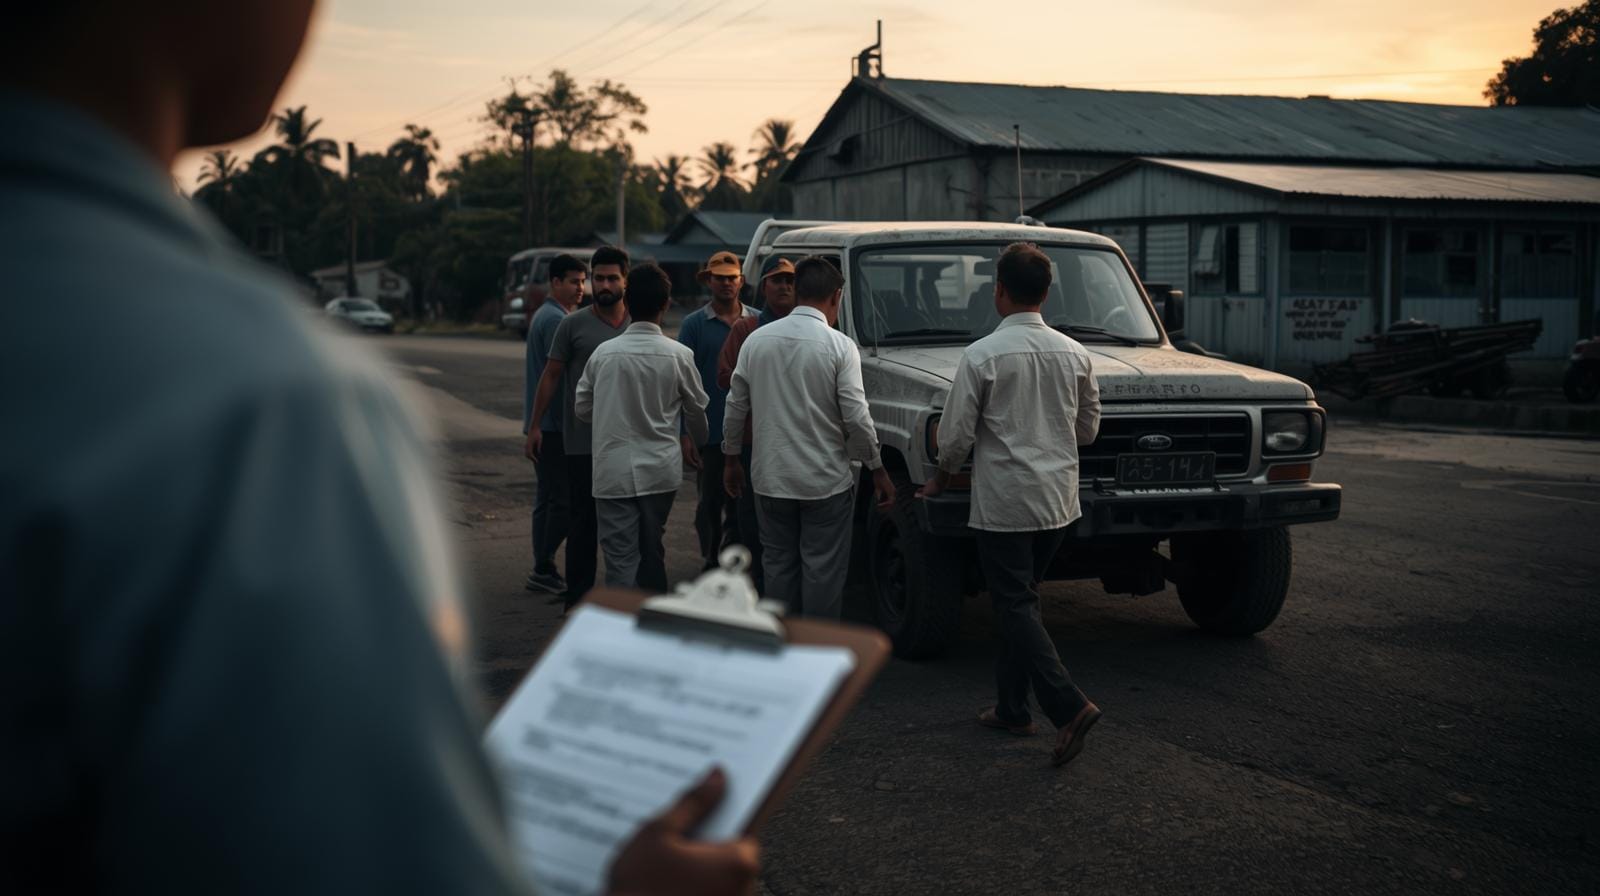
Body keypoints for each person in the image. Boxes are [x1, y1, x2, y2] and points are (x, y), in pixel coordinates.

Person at [0, 3, 757, 893]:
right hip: (649, 464)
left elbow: (585, 399)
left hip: (611, 460)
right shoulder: (258, 399)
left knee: (622, 558)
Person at [917, 242, 1104, 769]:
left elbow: (953, 438)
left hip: (1006, 502)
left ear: (998, 291)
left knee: (1015, 604)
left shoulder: (981, 356)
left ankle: (1067, 707)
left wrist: (938, 480)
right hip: (1057, 502)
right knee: (1023, 600)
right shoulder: (1076, 353)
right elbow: (1088, 430)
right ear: (1046, 294)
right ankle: (1012, 708)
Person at [723, 257, 895, 620]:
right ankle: (814, 652)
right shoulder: (840, 346)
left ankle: (780, 644)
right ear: (837, 297)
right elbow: (856, 417)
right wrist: (877, 468)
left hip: (770, 478)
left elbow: (735, 407)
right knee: (823, 572)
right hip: (825, 483)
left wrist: (731, 458)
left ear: (798, 291)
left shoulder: (756, 341)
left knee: (778, 567)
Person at [576, 264, 709, 592]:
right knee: (652, 550)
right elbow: (697, 410)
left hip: (612, 472)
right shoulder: (679, 355)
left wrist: (611, 414)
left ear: (627, 303)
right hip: (660, 472)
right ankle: (654, 622)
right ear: (666, 305)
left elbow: (582, 407)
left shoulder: (603, 355)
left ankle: (622, 628)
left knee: (620, 559)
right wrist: (699, 441)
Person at [530, 245, 631, 609]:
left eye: (612, 277)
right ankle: (579, 599)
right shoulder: (572, 324)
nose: (604, 284)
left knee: (627, 529)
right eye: (598, 277)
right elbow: (551, 375)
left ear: (625, 280)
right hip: (581, 443)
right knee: (582, 525)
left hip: (627, 445)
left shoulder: (640, 324)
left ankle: (626, 602)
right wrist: (535, 426)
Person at [716, 256, 797, 589]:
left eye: (790, 281)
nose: (784, 286)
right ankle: (759, 586)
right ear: (764, 286)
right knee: (752, 522)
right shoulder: (745, 329)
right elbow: (725, 380)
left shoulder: (815, 330)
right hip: (753, 442)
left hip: (795, 441)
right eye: (777, 280)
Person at [677, 250, 755, 571]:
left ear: (741, 281)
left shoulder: (757, 321)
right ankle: (711, 558)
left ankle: (736, 562)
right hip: (708, 432)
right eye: (719, 278)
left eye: (731, 278)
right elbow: (683, 381)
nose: (725, 283)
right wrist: (685, 433)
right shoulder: (694, 324)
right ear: (709, 281)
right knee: (709, 503)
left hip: (749, 431)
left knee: (744, 504)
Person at [522, 254, 587, 596]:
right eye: (574, 281)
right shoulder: (556, 322)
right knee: (562, 501)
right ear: (555, 283)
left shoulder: (548, 316)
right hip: (554, 426)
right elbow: (555, 378)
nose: (581, 288)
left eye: (582, 281)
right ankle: (543, 565)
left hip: (545, 424)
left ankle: (542, 566)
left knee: (547, 499)